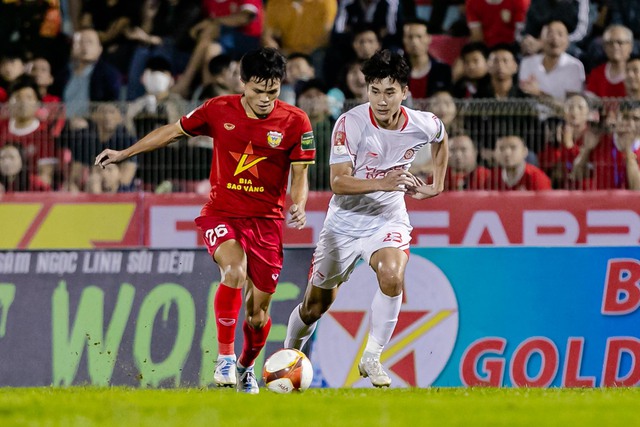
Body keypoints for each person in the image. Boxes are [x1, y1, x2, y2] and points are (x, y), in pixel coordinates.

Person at [94, 47, 316, 393]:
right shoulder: (217, 109)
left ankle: (245, 367)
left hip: (266, 223)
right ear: (242, 83)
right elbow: (171, 131)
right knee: (234, 271)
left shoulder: (295, 121)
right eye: (258, 91)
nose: (265, 99)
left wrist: (298, 203)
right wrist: (124, 153)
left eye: (272, 92)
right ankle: (225, 358)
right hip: (222, 213)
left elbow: (300, 174)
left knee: (257, 316)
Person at [284, 49, 448, 387]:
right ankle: (289, 357)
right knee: (314, 307)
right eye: (375, 91)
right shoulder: (350, 123)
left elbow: (441, 138)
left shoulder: (423, 123)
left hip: (388, 219)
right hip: (343, 224)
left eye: (390, 92)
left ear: (405, 91)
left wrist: (437, 185)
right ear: (366, 90)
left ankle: (372, 357)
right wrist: (383, 182)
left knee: (392, 275)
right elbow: (338, 182)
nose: (382, 100)